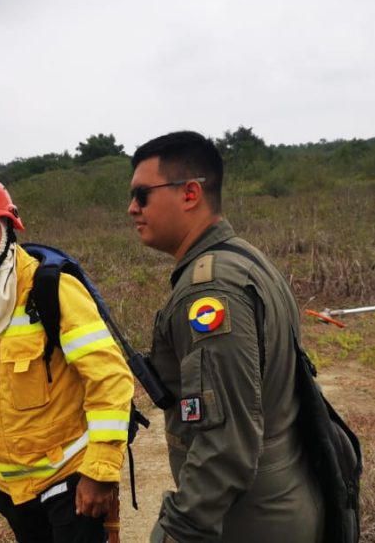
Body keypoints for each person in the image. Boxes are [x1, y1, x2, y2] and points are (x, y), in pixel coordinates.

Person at [129, 131, 324, 542]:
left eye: (142, 194)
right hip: (276, 502)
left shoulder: (211, 290)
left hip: (249, 521)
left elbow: (225, 442)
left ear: (190, 193)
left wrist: (177, 531)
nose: (132, 209)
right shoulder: (243, 258)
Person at [0, 170, 134, 542]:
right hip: (13, 490)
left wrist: (100, 471)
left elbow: (110, 378)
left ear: (9, 229)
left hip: (72, 478)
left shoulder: (51, 287)